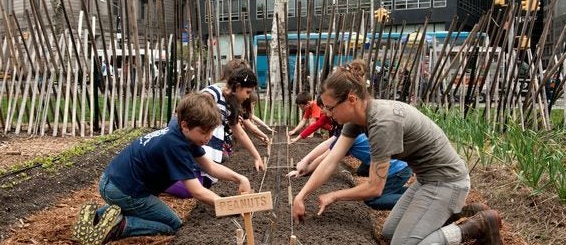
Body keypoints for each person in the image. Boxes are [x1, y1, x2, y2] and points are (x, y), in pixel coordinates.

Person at [292, 59, 503, 245]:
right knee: (389, 232)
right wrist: (301, 196)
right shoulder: (355, 119)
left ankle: (479, 225)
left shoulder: (382, 123)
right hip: (426, 181)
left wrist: (334, 195)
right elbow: (331, 160)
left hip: (447, 182)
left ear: (351, 99)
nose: (327, 114)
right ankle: (460, 212)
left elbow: (375, 188)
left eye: (330, 108)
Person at [73, 93, 252, 244]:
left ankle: (97, 217)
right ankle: (120, 225)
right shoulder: (176, 146)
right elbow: (197, 192)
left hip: (112, 181)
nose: (208, 137)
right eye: (204, 132)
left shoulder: (180, 132)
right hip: (125, 191)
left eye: (211, 132)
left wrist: (240, 178)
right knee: (174, 225)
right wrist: (230, 206)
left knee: (146, 209)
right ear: (185, 125)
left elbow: (210, 166)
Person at [288, 122, 412, 210]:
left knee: (372, 200)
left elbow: (326, 158)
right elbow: (326, 148)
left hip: (398, 170)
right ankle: (411, 193)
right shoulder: (349, 133)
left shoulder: (350, 137)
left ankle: (416, 200)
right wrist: (306, 165)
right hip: (399, 165)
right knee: (362, 171)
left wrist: (307, 169)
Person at [200, 60, 265, 171]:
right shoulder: (213, 94)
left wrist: (256, 156)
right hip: (197, 149)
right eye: (248, 92)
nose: (248, 97)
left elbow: (240, 133)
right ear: (238, 87)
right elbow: (189, 114)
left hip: (209, 152)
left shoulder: (231, 104)